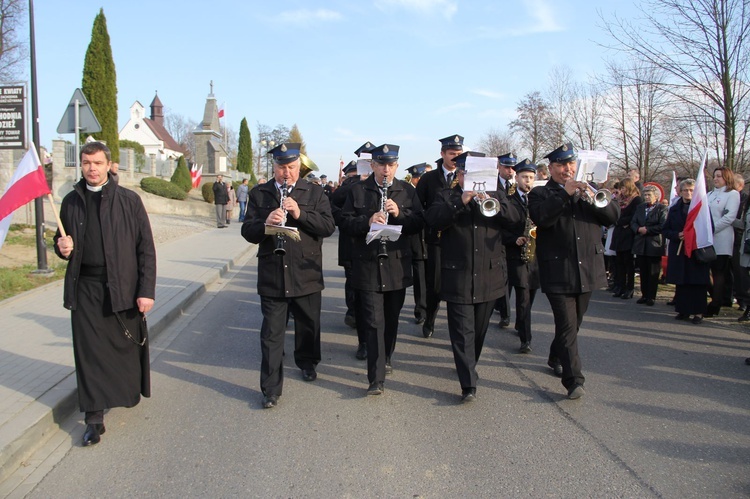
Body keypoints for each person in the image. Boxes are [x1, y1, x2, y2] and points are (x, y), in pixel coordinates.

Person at [53, 141, 156, 446]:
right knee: (88, 354)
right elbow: (61, 241)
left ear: (110, 165)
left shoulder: (128, 201)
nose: (91, 168)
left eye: (97, 163)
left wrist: (145, 291)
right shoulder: (71, 202)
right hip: (85, 288)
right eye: (86, 163)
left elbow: (146, 250)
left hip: (121, 286)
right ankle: (94, 419)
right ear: (81, 165)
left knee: (120, 348)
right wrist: (61, 248)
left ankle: (122, 393)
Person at [241, 142, 335, 409]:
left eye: (292, 168)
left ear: (299, 167)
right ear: (274, 167)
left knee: (308, 324)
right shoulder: (260, 193)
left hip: (306, 272)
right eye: (282, 167)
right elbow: (248, 231)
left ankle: (307, 362)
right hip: (273, 272)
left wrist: (299, 213)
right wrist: (264, 223)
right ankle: (270, 389)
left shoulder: (314, 192)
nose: (287, 173)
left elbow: (327, 226)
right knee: (271, 333)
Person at [528, 142, 620, 399]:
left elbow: (612, 218)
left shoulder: (591, 190)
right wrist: (565, 194)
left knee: (574, 323)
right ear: (551, 168)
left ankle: (556, 355)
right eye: (560, 165)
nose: (566, 169)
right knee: (567, 325)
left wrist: (593, 197)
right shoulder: (540, 194)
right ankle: (574, 380)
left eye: (570, 164)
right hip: (558, 271)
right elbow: (542, 218)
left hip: (588, 269)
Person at [425, 151, 518, 402]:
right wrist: (461, 202)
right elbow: (432, 221)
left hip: (490, 275)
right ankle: (468, 384)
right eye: (465, 172)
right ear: (459, 173)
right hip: (458, 276)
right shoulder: (446, 196)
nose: (469, 176)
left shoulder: (498, 196)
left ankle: (469, 363)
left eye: (476, 172)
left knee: (478, 331)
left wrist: (495, 202)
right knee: (462, 331)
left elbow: (516, 220)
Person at [339, 144, 424, 395]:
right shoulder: (357, 190)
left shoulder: (407, 191)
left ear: (396, 166)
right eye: (381, 164)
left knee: (391, 319)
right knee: (373, 321)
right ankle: (375, 378)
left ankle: (386, 356)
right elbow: (343, 221)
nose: (386, 169)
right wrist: (366, 221)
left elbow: (419, 222)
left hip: (396, 264)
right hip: (367, 264)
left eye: (391, 165)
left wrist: (399, 214)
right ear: (373, 165)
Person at [415, 134, 464, 338]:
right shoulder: (428, 179)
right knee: (434, 284)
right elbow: (418, 207)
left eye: (458, 154)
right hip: (436, 239)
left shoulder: (466, 178)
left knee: (458, 285)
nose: (455, 158)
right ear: (442, 154)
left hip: (460, 240)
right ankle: (430, 318)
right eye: (452, 154)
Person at [332, 148, 373, 359]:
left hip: (375, 246)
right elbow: (334, 204)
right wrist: (355, 182)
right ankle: (353, 313)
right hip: (352, 243)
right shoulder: (351, 184)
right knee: (353, 282)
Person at [501, 159, 540, 353]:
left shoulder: (538, 199)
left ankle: (520, 323)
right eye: (524, 177)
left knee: (530, 295)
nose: (528, 181)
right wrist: (513, 239)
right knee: (523, 297)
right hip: (516, 256)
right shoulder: (508, 201)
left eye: (531, 178)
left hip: (535, 256)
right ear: (517, 178)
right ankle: (526, 339)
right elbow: (500, 230)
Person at [663, 179, 710, 324]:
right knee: (681, 281)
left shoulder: (702, 209)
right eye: (685, 190)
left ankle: (698, 311)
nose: (688, 193)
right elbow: (666, 229)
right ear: (681, 191)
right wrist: (677, 235)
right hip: (679, 248)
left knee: (696, 281)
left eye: (691, 190)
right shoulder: (674, 208)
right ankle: (683, 310)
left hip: (696, 249)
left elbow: (709, 229)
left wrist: (692, 235)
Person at [706, 167, 740, 317]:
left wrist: (712, 229)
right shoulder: (709, 194)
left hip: (722, 238)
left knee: (718, 272)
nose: (716, 179)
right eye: (714, 176)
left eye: (719, 176)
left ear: (727, 177)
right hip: (706, 239)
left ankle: (716, 303)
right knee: (705, 271)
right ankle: (713, 296)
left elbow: (729, 217)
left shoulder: (732, 194)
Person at [631, 185, 667, 305]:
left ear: (656, 196)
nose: (646, 197)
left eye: (649, 195)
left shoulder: (662, 208)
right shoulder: (640, 207)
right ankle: (644, 294)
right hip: (641, 243)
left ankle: (651, 296)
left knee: (653, 271)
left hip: (654, 243)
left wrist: (648, 230)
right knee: (643, 270)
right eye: (645, 195)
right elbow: (633, 221)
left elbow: (663, 225)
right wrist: (638, 229)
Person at [494, 152, 517, 328]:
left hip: (517, 237)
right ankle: (505, 314)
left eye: (512, 167)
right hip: (500, 237)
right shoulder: (493, 186)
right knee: (503, 278)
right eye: (507, 167)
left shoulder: (519, 185)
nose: (510, 171)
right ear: (499, 167)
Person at [611, 178, 642, 299]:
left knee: (628, 263)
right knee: (619, 262)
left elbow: (634, 215)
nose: (622, 191)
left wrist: (620, 221)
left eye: (623, 188)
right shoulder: (620, 200)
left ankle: (630, 288)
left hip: (628, 233)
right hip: (619, 231)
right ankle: (620, 285)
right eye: (621, 188)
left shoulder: (636, 199)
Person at [406, 162, 429, 325]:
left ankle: (430, 307)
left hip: (429, 241)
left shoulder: (429, 192)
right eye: (418, 177)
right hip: (415, 241)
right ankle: (420, 310)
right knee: (420, 279)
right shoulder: (409, 194)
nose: (419, 180)